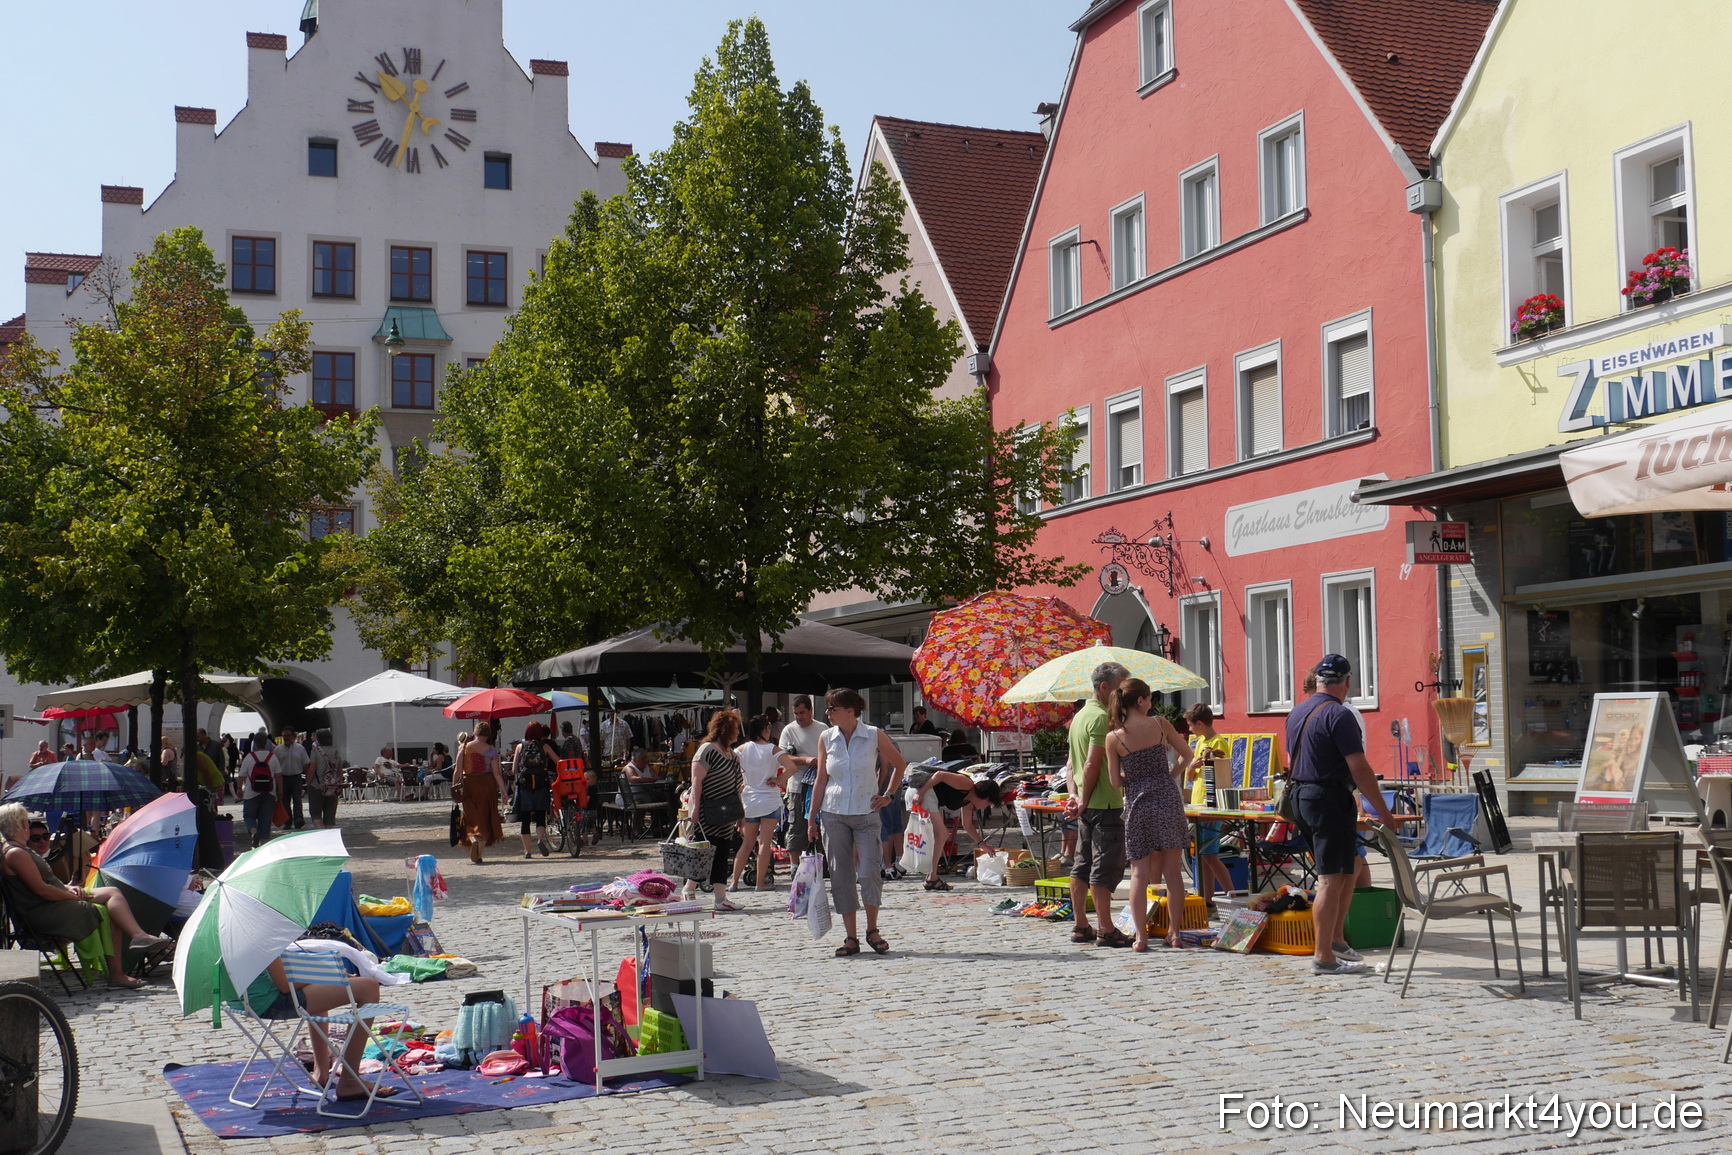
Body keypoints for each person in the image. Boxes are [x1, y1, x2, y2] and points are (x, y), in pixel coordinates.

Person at [1287, 655, 1400, 975]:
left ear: (1319, 680)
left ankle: (1335, 939)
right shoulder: (1340, 714)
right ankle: (1323, 956)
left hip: (1301, 796)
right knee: (1329, 879)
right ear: (1347, 681)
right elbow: (1360, 768)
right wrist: (1383, 810)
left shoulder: (1297, 711)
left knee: (1349, 865)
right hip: (1327, 798)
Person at [0, 803, 171, 989]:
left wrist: (68, 888)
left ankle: (137, 938)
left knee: (112, 893)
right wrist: (73, 897)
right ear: (22, 825)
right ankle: (118, 971)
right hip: (44, 911)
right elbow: (42, 890)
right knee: (106, 910)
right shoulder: (16, 853)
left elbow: (45, 885)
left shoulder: (20, 850)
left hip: (52, 902)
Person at [237, 939, 411, 1102]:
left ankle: (321, 1071)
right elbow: (283, 984)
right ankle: (349, 1081)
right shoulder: (255, 934)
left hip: (245, 1001)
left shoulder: (227, 936)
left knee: (316, 993)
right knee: (368, 987)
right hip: (271, 1001)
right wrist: (330, 975)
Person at [808, 688, 908, 957]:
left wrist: (888, 795)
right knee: (841, 876)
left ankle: (872, 930)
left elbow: (900, 764)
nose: (827, 713)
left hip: (866, 813)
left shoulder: (874, 735)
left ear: (850, 710)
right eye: (827, 708)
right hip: (833, 814)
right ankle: (850, 937)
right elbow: (820, 779)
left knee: (868, 873)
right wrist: (811, 817)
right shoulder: (826, 738)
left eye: (832, 709)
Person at [1106, 679, 1195, 951]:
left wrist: (1133, 778)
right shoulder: (1159, 724)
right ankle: (1175, 933)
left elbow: (1113, 781)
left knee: (1138, 875)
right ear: (1141, 701)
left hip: (1139, 803)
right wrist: (1169, 775)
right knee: (1173, 872)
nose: (1152, 703)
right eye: (1150, 698)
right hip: (1167, 798)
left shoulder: (1114, 737)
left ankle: (1141, 937)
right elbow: (1187, 754)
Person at [1064, 661, 1132, 948]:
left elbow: (1071, 765)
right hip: (1103, 803)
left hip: (1087, 802)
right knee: (1104, 868)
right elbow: (1092, 762)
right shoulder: (1102, 717)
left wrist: (1074, 796)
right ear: (1104, 687)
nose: (1122, 697)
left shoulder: (1080, 716)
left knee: (1082, 866)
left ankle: (1081, 924)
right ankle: (1106, 928)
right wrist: (1086, 797)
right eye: (1119, 690)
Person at [905, 766, 1002, 891]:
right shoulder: (967, 784)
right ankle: (931, 878)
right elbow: (940, 774)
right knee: (942, 834)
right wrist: (921, 793)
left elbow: (967, 825)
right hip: (921, 793)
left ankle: (931, 876)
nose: (985, 807)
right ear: (985, 796)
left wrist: (982, 844)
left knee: (937, 835)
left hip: (921, 795)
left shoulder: (968, 801)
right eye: (988, 803)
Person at [731, 715, 794, 892]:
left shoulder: (741, 749)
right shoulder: (773, 749)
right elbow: (792, 767)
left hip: (750, 799)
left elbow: (732, 770)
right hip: (769, 800)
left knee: (747, 842)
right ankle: (760, 882)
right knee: (765, 842)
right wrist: (779, 779)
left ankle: (734, 882)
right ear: (764, 729)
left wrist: (740, 785)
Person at [1185, 703, 1236, 907]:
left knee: (1211, 855)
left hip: (1211, 804)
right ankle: (1207, 899)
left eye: (1190, 725)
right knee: (1203, 856)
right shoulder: (1199, 743)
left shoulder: (1217, 742)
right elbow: (1190, 776)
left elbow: (1221, 773)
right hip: (1198, 804)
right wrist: (1192, 766)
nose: (1189, 729)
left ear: (1200, 723)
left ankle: (1233, 895)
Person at [452, 721, 506, 864]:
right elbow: (497, 773)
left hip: (469, 784)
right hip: (487, 785)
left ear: (475, 732)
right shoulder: (492, 750)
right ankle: (479, 854)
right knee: (485, 818)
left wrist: (454, 787)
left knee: (471, 817)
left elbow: (457, 771)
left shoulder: (463, 748)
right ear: (488, 734)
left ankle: (474, 838)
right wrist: (504, 792)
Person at [778, 696, 824, 858]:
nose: (799, 717)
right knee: (796, 828)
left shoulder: (823, 728)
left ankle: (822, 864)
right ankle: (795, 866)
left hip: (820, 786)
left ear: (811, 710)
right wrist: (805, 760)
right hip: (797, 787)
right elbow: (781, 757)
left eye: (802, 712)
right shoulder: (789, 730)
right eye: (796, 713)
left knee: (820, 826)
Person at [514, 722, 559, 859]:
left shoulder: (520, 747)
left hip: (525, 786)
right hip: (541, 784)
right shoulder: (544, 746)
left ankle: (527, 851)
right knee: (540, 816)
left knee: (525, 819)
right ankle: (540, 840)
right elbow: (558, 761)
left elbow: (514, 769)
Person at [237, 730, 279, 849]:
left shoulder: (250, 757)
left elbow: (241, 776)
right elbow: (278, 775)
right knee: (265, 819)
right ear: (266, 743)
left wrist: (239, 788)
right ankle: (263, 847)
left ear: (254, 743)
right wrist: (280, 791)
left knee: (249, 816)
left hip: (251, 792)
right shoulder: (272, 757)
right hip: (269, 792)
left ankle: (254, 832)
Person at [308, 729, 344, 829]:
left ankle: (321, 832)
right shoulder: (336, 752)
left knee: (315, 814)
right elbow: (340, 770)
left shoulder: (315, 752)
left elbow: (311, 769)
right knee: (329, 816)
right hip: (333, 787)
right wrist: (338, 783)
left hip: (317, 786)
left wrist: (308, 783)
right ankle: (328, 834)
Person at [275, 727, 310, 830]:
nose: (286, 738)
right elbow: (275, 766)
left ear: (293, 737)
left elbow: (306, 763)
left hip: (296, 777)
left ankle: (298, 819)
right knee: (284, 801)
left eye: (288, 735)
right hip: (283, 778)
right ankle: (287, 821)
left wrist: (308, 779)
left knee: (297, 800)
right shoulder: (278, 750)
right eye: (284, 735)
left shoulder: (300, 749)